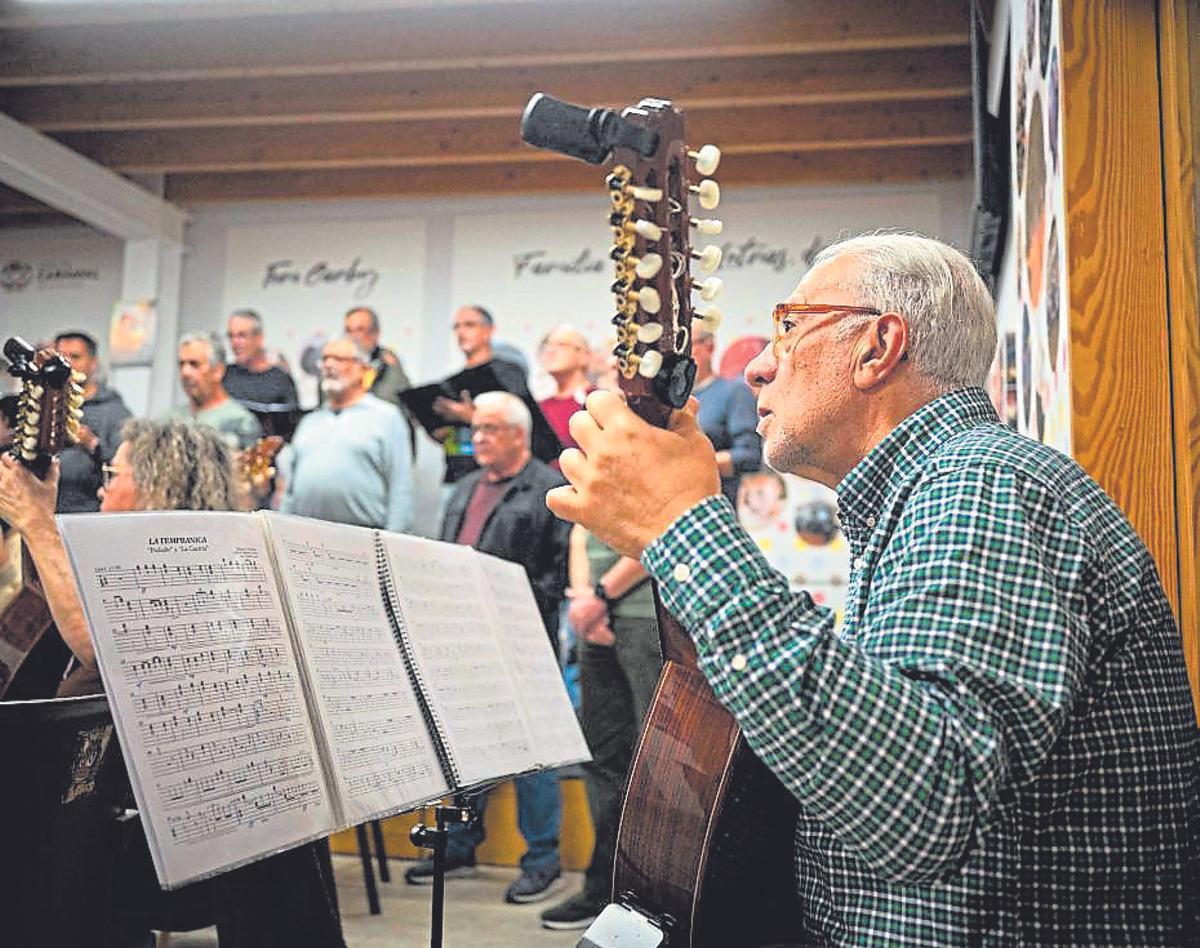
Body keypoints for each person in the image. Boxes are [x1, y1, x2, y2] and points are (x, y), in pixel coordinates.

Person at [546, 233, 1199, 944]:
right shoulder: (933, 493)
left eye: (788, 328)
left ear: (879, 346)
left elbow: (922, 806)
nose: (760, 365)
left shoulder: (981, 482)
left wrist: (681, 527)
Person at [0, 419, 346, 946]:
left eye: (113, 473)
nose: (100, 487)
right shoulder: (214, 565)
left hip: (147, 845)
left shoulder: (166, 581)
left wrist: (37, 520)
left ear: (154, 488)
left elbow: (100, 646)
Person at [405, 391, 570, 906]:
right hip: (465, 638)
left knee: (532, 755)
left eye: (489, 429)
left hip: (523, 640)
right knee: (468, 746)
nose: (477, 438)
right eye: (474, 429)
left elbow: (559, 573)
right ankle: (460, 843)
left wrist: (506, 598)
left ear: (519, 435)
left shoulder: (548, 489)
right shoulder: (465, 487)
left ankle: (543, 859)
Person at [279, 336, 413, 533]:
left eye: (340, 359)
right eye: (325, 359)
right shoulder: (310, 422)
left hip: (364, 540)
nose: (329, 365)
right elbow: (289, 492)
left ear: (363, 369)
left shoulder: (386, 417)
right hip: (305, 540)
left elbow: (400, 488)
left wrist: (393, 544)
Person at [431, 305, 531, 489]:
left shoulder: (509, 373)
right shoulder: (451, 382)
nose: (461, 332)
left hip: (501, 478)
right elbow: (445, 437)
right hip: (456, 476)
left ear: (489, 331)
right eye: (457, 326)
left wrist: (472, 418)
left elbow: (524, 424)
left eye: (469, 325)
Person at [52, 330, 132, 513]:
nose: (67, 364)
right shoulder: (47, 405)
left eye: (75, 357)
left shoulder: (114, 411)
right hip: (46, 510)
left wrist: (92, 444)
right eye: (61, 358)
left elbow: (127, 469)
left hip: (89, 512)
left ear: (93, 364)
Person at [690, 319, 762, 509]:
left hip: (714, 513)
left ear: (709, 346)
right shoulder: (670, 401)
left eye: (686, 344)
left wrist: (691, 465)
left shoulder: (733, 392)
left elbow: (749, 456)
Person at [342, 305, 418, 457]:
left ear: (375, 333)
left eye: (359, 330)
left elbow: (405, 410)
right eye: (349, 331)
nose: (353, 337)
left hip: (382, 453)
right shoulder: (335, 368)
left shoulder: (390, 365)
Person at [167, 332, 263, 451]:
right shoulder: (168, 420)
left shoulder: (240, 422)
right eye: (181, 364)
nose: (185, 372)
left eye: (194, 364)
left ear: (218, 371)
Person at [223, 309, 300, 435]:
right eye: (231, 336)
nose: (235, 343)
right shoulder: (223, 375)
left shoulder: (280, 381)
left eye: (242, 336)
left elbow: (289, 431)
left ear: (259, 338)